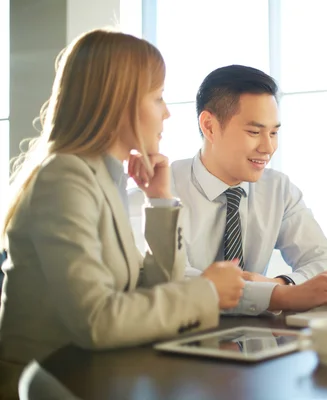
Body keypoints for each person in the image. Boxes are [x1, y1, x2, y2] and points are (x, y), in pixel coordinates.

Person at [0, 29, 244, 397]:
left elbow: (156, 286)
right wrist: (206, 292)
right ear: (120, 102)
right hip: (50, 386)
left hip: (93, 376)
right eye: (158, 97)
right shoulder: (64, 178)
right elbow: (97, 321)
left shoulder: (101, 176)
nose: (167, 112)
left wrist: (160, 200)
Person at [166, 65, 327, 315]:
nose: (268, 147)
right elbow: (175, 280)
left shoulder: (278, 189)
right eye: (254, 132)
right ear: (209, 126)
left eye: (274, 132)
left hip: (255, 340)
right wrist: (278, 297)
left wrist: (279, 284)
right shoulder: (162, 192)